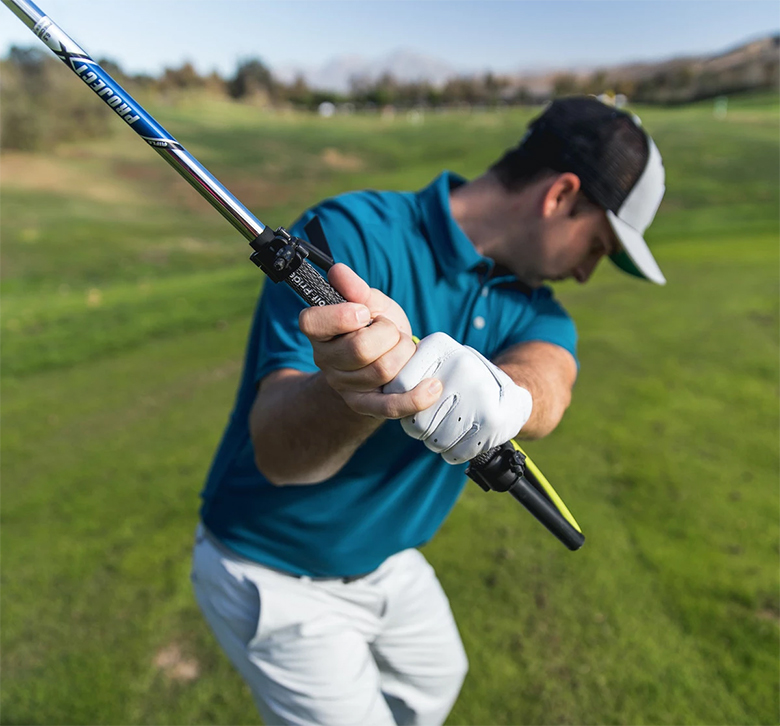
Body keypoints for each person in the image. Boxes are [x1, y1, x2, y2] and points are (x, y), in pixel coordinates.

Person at [190, 96, 666, 726]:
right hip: (272, 571)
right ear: (560, 196)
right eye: (599, 245)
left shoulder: (535, 306)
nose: (586, 272)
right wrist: (357, 388)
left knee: (439, 680)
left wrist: (510, 393)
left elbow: (552, 381)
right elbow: (278, 457)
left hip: (387, 562)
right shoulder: (351, 234)